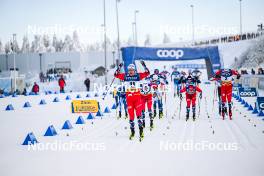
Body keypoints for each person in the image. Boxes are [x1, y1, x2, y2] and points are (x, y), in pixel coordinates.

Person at [114, 61, 150, 141]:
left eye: (132, 70)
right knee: (131, 117)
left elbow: (147, 73)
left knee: (138, 115)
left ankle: (141, 132)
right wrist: (119, 67)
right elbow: (116, 75)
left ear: (134, 70)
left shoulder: (138, 76)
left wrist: (144, 65)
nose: (130, 71)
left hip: (137, 99)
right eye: (129, 70)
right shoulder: (125, 76)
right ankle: (132, 132)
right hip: (129, 99)